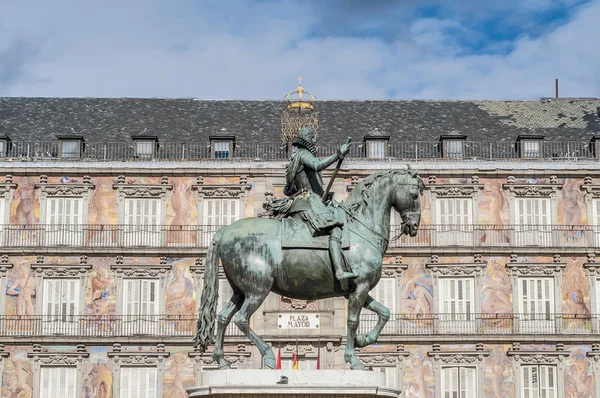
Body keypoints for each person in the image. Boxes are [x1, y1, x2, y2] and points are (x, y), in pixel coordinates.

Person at [283, 126, 355, 281]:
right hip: (308, 203)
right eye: (312, 137)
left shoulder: (295, 158)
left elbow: (288, 189)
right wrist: (338, 154)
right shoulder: (303, 155)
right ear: (307, 140)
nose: (315, 141)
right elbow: (318, 165)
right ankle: (339, 271)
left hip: (302, 202)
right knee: (336, 229)